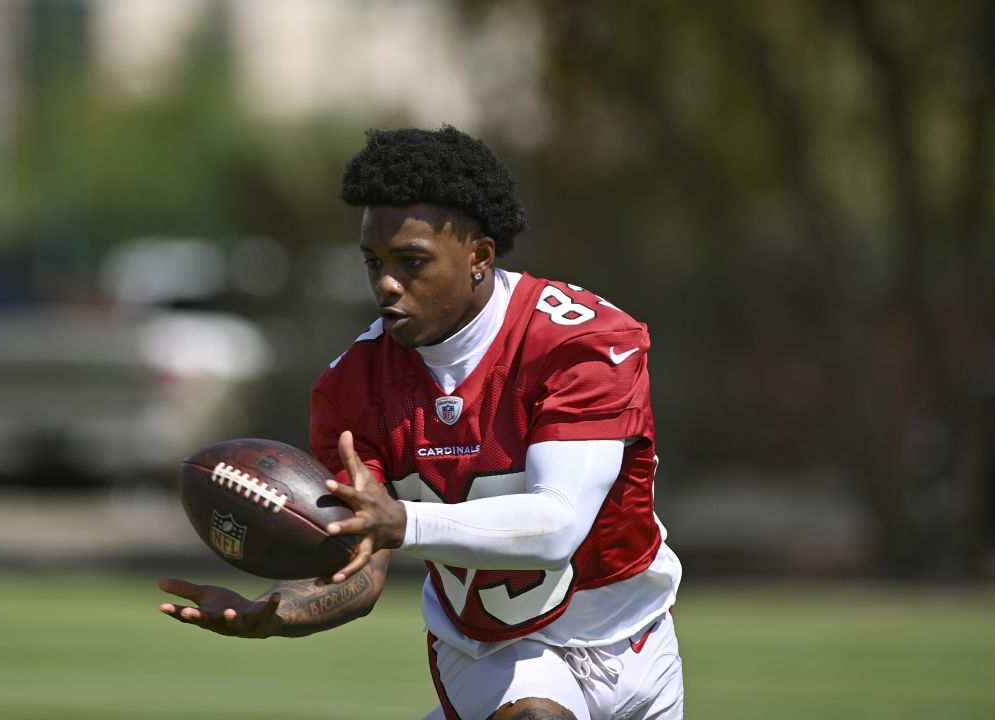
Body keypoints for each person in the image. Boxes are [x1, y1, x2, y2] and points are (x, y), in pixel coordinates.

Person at [158, 126, 684, 720]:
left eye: (411, 262)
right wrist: (283, 609)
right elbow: (360, 569)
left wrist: (403, 520)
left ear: (480, 257)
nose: (386, 282)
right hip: (491, 652)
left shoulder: (576, 342)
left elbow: (557, 525)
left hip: (637, 642)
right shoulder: (353, 386)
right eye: (374, 261)